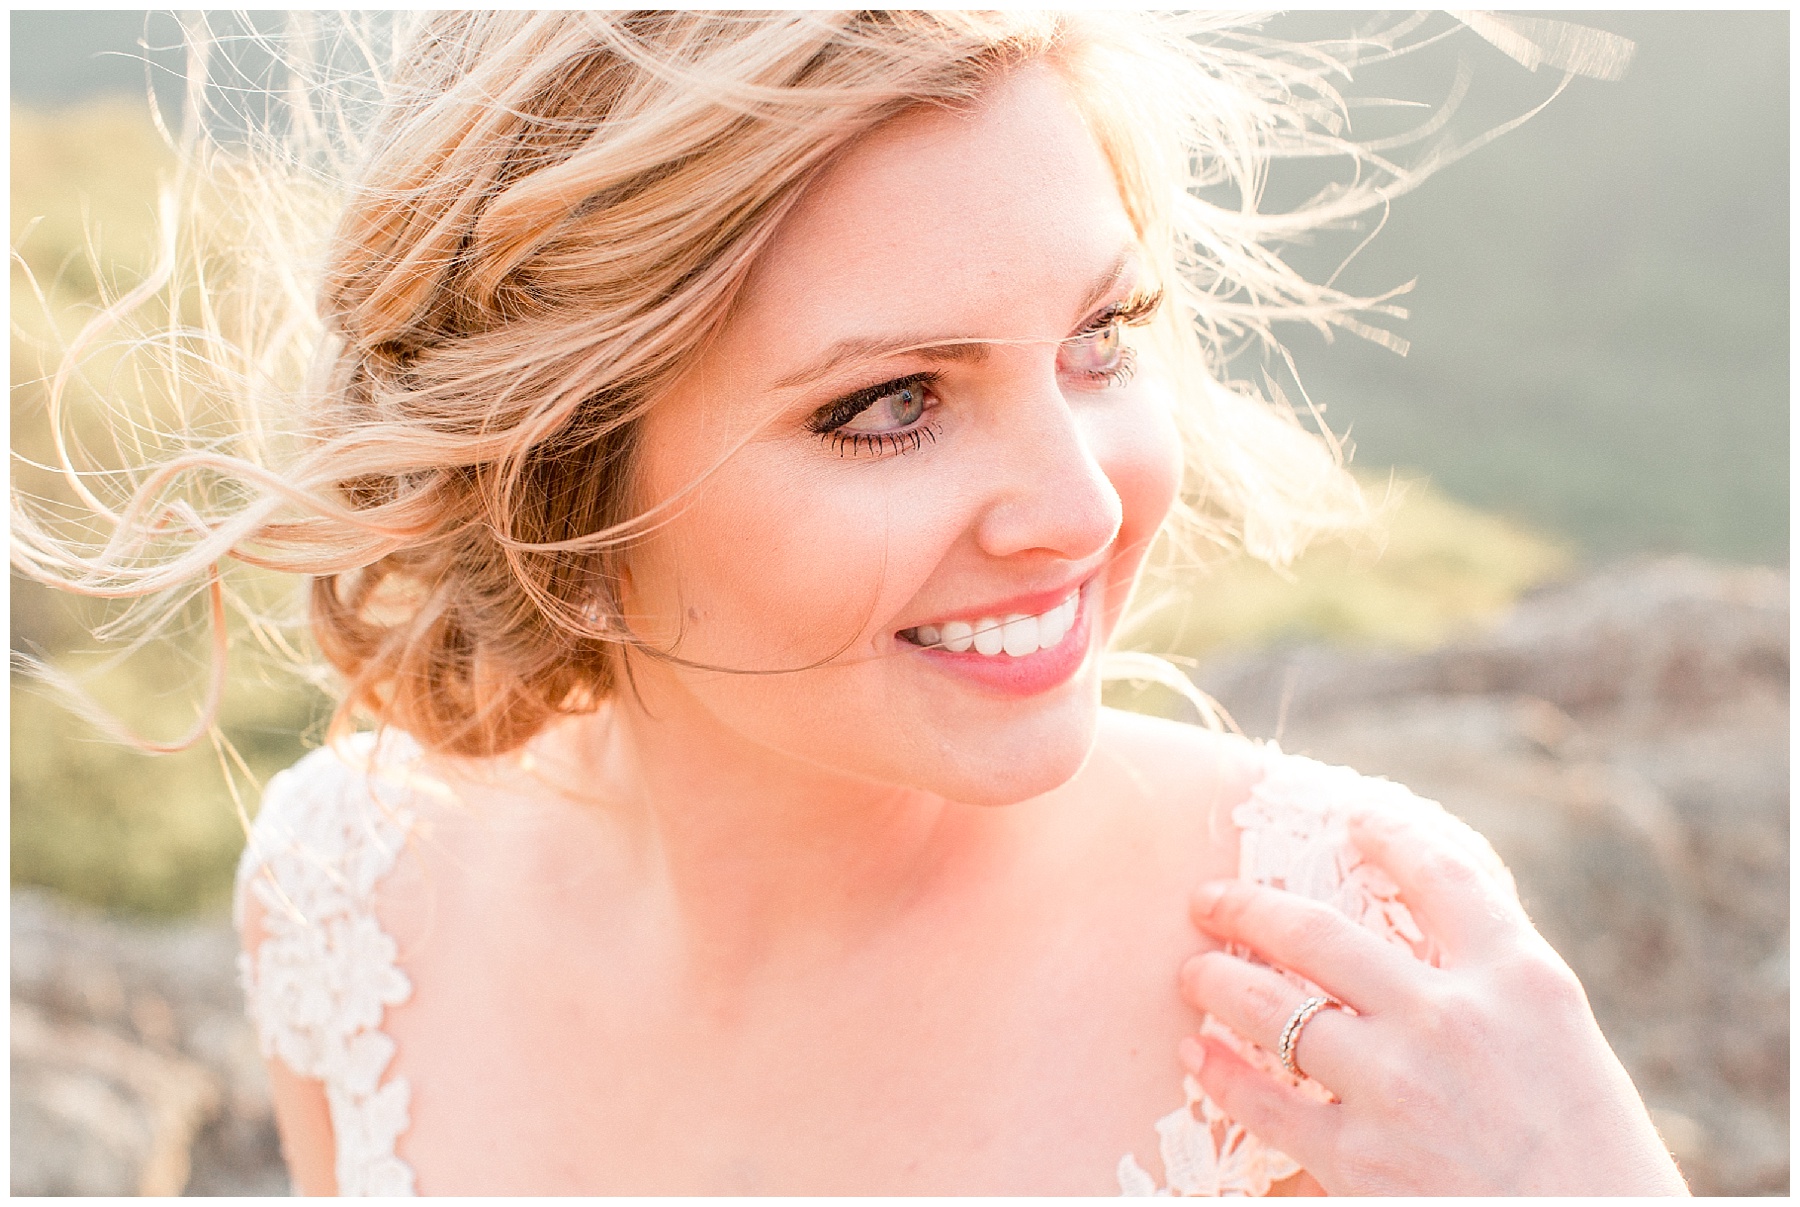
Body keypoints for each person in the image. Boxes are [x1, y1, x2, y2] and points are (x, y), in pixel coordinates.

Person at [13, 11, 1688, 1195]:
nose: (1085, 506)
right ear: (558, 476)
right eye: (889, 402)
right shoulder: (351, 906)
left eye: (1099, 339)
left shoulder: (1358, 976)